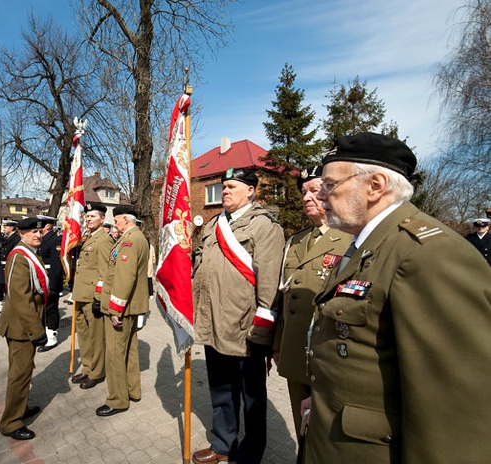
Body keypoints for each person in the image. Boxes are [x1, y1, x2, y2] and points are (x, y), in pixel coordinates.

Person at [302, 132, 491, 463]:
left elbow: (453, 412)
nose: (322, 195)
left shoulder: (427, 254)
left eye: (331, 185)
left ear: (374, 186)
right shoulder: (363, 243)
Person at [192, 168, 285, 464]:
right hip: (213, 322)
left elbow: (270, 282)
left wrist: (264, 329)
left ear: (250, 190)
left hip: (246, 327)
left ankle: (251, 452)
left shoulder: (265, 226)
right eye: (224, 186)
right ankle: (223, 444)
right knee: (221, 391)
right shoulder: (212, 224)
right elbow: (199, 264)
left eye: (232, 186)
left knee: (252, 397)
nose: (225, 191)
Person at [271, 165, 352, 439]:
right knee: (301, 426)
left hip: (329, 355)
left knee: (326, 434)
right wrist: (277, 343)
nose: (306, 198)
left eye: (314, 191)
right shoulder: (296, 241)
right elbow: (285, 297)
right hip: (294, 350)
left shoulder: (352, 239)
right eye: (304, 192)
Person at [0, 217, 49, 440]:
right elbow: (21, 299)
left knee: (25, 370)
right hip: (21, 327)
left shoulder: (30, 252)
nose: (38, 235)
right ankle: (11, 422)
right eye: (33, 232)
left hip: (24, 325)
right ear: (21, 233)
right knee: (19, 374)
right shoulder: (20, 256)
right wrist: (36, 330)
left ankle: (21, 407)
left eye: (40, 231)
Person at [96, 204, 149, 417]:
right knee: (130, 351)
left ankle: (117, 399)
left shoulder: (129, 240)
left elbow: (124, 278)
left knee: (115, 354)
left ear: (125, 220)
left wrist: (115, 309)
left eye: (116, 220)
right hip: (131, 306)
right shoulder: (136, 237)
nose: (114, 224)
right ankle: (132, 391)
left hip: (122, 308)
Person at [71, 203, 114, 389]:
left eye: (93, 217)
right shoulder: (89, 238)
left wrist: (99, 297)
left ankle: (97, 372)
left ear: (103, 219)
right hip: (81, 294)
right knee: (84, 335)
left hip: (92, 296)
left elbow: (105, 273)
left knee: (96, 337)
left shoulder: (104, 240)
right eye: (87, 217)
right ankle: (88, 367)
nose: (88, 220)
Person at [37, 216, 64, 352]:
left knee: (51, 309)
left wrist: (53, 285)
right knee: (43, 308)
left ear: (48, 226)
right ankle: (44, 333)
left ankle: (51, 336)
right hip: (41, 279)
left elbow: (56, 265)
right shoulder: (41, 239)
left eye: (40, 225)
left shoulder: (55, 240)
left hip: (50, 279)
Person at [0, 220, 19, 315]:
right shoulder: (7, 238)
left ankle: (11, 308)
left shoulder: (15, 239)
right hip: (3, 265)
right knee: (2, 286)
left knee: (9, 288)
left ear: (11, 228)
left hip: (9, 266)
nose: (4, 229)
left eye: (5, 227)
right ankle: (1, 305)